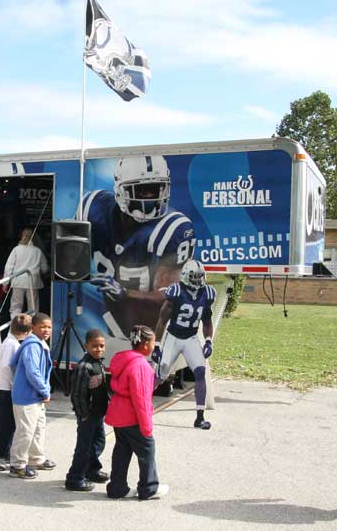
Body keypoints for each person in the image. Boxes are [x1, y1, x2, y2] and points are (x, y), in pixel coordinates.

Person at [79, 155, 195, 338]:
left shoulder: (171, 229)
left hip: (141, 330)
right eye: (141, 190)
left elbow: (169, 296)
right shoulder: (94, 208)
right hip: (96, 320)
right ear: (120, 190)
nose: (150, 197)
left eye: (156, 189)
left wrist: (125, 293)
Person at [105, 325, 169, 500]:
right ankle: (148, 488)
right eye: (153, 342)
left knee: (122, 451)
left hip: (119, 414)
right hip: (132, 416)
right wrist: (146, 425)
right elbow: (140, 398)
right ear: (145, 344)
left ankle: (117, 487)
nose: (154, 346)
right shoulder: (140, 364)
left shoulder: (123, 360)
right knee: (147, 449)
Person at [153, 259, 216, 429]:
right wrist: (157, 344)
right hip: (173, 337)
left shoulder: (207, 294)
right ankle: (139, 405)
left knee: (200, 372)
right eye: (194, 276)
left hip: (191, 337)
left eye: (200, 276)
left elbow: (207, 321)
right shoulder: (176, 292)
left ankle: (200, 417)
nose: (198, 280)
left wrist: (208, 341)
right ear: (187, 276)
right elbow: (162, 320)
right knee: (160, 374)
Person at [8, 312, 55, 479]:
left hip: (35, 396)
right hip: (27, 397)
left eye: (49, 327)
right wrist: (45, 390)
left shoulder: (39, 344)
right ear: (33, 328)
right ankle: (18, 465)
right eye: (42, 327)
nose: (46, 330)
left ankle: (36, 458)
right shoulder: (32, 346)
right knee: (25, 431)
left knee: (38, 429)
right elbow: (33, 372)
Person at [65, 328, 110, 492]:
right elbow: (77, 394)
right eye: (94, 346)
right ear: (86, 346)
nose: (98, 349)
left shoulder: (99, 364)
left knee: (99, 441)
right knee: (83, 447)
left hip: (98, 414)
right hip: (88, 415)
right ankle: (75, 478)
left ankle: (92, 470)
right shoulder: (84, 367)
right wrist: (82, 414)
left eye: (101, 346)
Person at [0, 314, 33, 471]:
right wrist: (15, 384)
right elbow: (7, 367)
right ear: (28, 332)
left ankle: (5, 452)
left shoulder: (12, 342)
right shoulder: (11, 345)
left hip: (6, 388)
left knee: (10, 424)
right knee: (5, 425)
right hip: (6, 389)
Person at [3, 228, 49, 319]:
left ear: (22, 236)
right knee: (33, 308)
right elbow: (45, 269)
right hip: (33, 282)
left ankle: (15, 328)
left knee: (16, 307)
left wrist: (5, 283)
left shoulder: (16, 249)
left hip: (18, 281)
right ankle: (31, 328)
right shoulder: (38, 251)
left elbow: (8, 267)